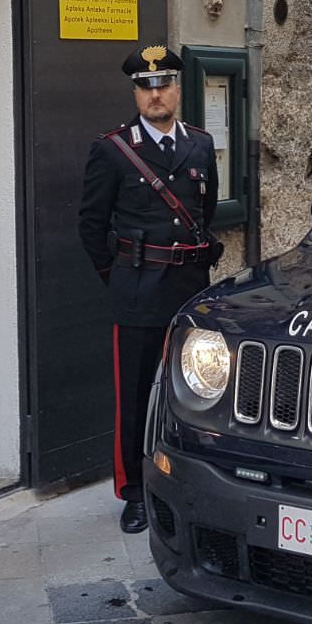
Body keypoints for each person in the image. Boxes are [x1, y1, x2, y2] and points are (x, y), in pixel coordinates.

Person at [78, 45, 220, 533]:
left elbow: (206, 214)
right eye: (145, 86)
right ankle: (134, 492)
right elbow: (91, 225)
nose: (155, 94)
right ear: (135, 93)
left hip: (188, 289)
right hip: (136, 290)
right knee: (135, 395)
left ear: (178, 89)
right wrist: (117, 276)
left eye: (163, 85)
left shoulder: (200, 145)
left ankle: (186, 479)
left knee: (194, 391)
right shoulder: (113, 149)